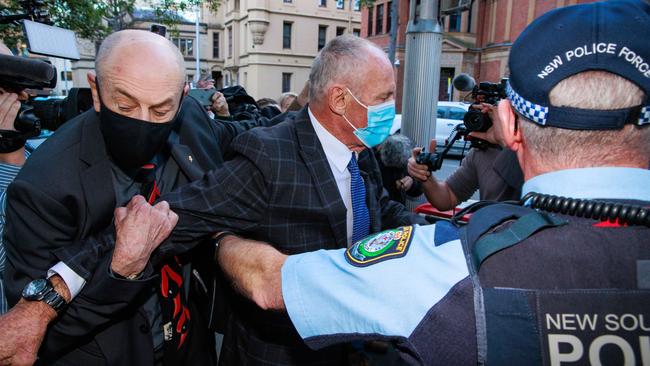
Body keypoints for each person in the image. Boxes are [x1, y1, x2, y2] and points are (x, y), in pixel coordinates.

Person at [186, 1, 649, 364]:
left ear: (509, 125)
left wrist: (223, 241)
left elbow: (272, 283)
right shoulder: (272, 151)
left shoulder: (444, 266)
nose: (392, 107)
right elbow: (190, 216)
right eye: (385, 96)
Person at [3, 29, 256, 365]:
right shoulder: (44, 186)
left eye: (161, 110)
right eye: (124, 104)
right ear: (96, 91)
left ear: (182, 99)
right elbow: (35, 333)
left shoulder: (191, 121)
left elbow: (243, 135)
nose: (143, 122)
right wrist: (119, 272)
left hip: (190, 345)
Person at [408, 133, 523, 211]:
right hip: (488, 240)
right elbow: (448, 196)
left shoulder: (533, 145)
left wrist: (505, 142)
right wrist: (425, 174)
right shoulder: (482, 151)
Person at [374, 134, 422, 204]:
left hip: (396, 208)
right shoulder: (367, 159)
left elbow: (419, 188)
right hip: (377, 209)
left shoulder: (401, 148)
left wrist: (412, 183)